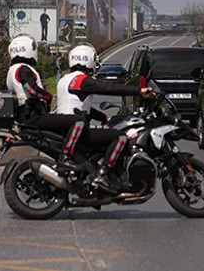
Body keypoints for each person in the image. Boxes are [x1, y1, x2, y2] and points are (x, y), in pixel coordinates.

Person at [55, 43, 153, 194]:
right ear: (89, 60)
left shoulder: (65, 80)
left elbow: (81, 106)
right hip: (78, 132)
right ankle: (104, 175)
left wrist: (103, 118)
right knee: (120, 137)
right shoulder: (82, 80)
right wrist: (138, 91)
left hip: (66, 129)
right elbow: (109, 88)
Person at [6, 34, 52, 123]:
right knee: (73, 120)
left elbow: (23, 88)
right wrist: (48, 96)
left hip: (23, 114)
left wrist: (41, 88)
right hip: (32, 115)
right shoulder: (23, 69)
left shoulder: (12, 69)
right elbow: (32, 90)